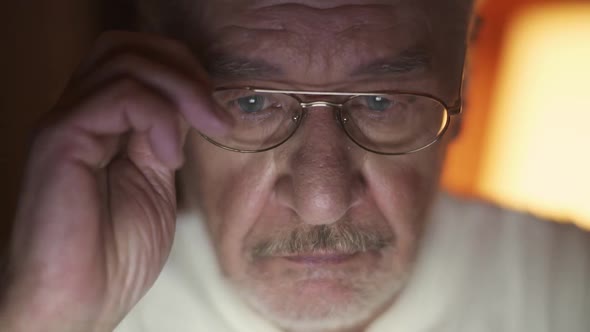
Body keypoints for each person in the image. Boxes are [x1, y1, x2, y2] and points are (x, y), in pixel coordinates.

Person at [1, 0, 589, 331]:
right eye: (252, 101)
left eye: (380, 102)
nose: (322, 198)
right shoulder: (77, 300)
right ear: (163, 96)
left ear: (463, 87)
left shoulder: (569, 290)